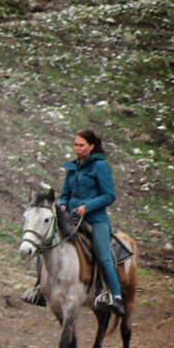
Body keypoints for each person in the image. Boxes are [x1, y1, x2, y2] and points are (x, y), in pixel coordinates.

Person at [59, 128, 124, 316]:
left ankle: (116, 297)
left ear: (92, 147)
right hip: (72, 218)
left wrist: (88, 206)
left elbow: (109, 195)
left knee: (104, 256)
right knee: (47, 242)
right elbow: (65, 194)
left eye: (81, 145)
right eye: (75, 145)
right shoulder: (72, 167)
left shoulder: (100, 167)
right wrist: (63, 205)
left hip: (95, 219)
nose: (77, 149)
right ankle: (40, 288)